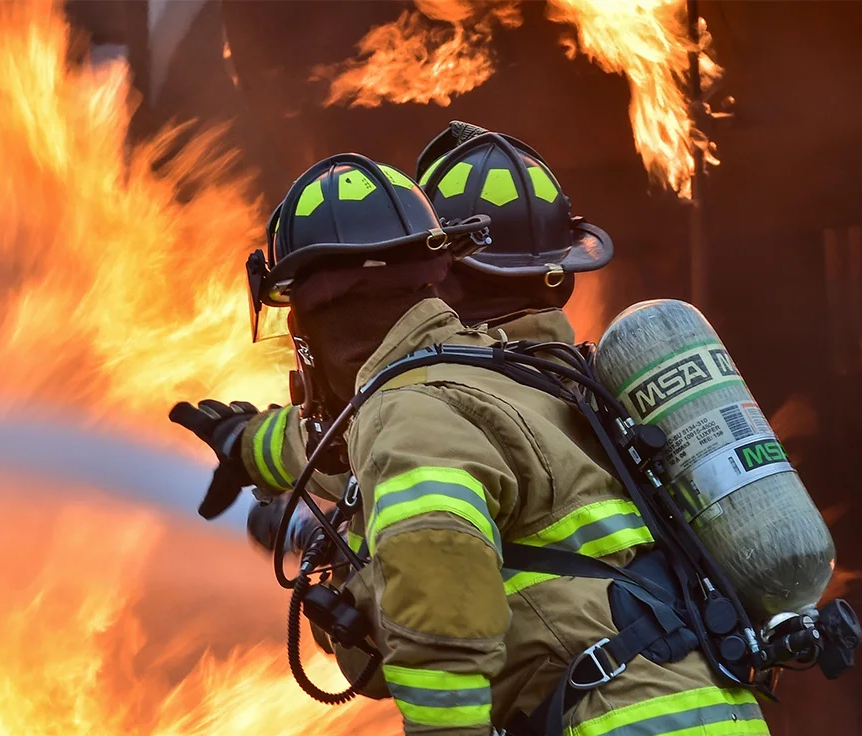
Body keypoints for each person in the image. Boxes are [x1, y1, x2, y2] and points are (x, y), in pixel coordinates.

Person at [170, 126, 769, 736]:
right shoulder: (514, 375)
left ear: (321, 318)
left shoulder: (412, 412)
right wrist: (247, 445)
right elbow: (341, 444)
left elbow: (439, 627)